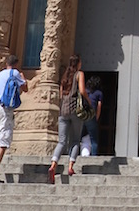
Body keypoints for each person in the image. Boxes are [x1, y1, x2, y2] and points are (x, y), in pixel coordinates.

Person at [48, 52, 91, 183]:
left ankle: (53, 165)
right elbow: (82, 91)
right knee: (75, 140)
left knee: (61, 141)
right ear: (78, 63)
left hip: (63, 110)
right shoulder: (79, 74)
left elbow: (61, 94)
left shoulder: (65, 77)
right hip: (75, 110)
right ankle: (71, 166)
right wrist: (88, 102)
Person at [0, 53, 28, 185]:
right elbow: (25, 88)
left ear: (6, 64)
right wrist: (23, 78)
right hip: (6, 110)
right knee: (4, 143)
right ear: (16, 64)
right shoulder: (15, 73)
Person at [83, 74, 103, 156]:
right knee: (94, 139)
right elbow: (99, 107)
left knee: (78, 137)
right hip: (91, 115)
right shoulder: (99, 93)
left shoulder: (85, 91)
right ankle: (94, 157)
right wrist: (96, 118)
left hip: (82, 115)